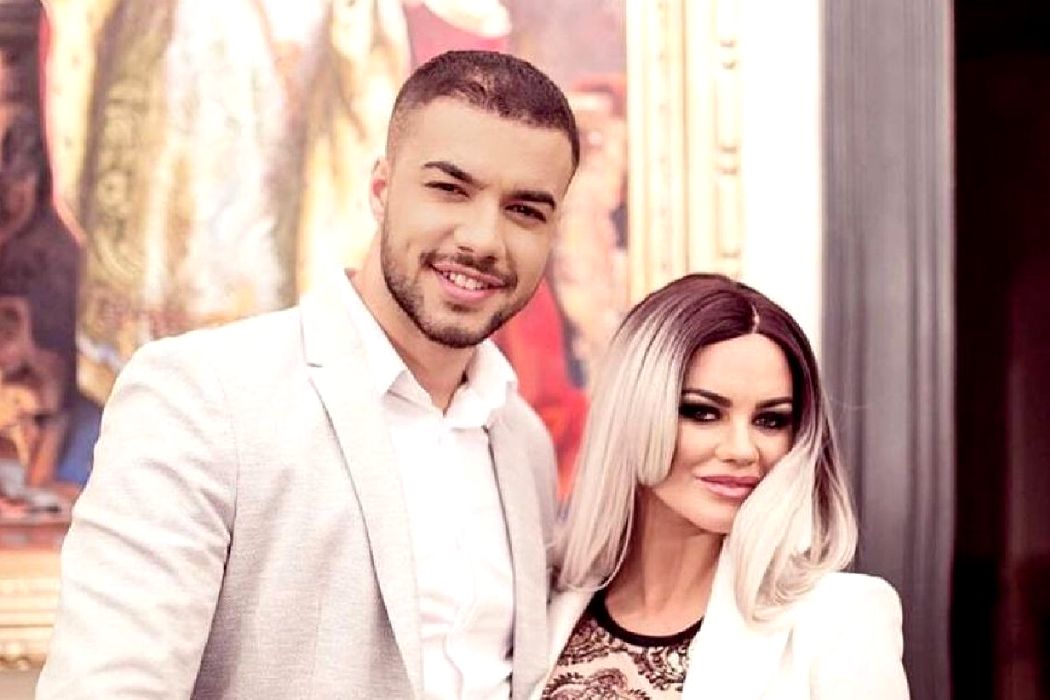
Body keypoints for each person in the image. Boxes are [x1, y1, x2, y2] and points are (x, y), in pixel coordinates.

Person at [37, 50, 579, 699]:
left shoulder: (524, 441)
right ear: (381, 190)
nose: (483, 238)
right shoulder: (200, 394)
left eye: (525, 210)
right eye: (450, 189)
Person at [538, 274, 909, 699]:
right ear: (633, 410)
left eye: (770, 420)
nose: (741, 450)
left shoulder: (840, 620)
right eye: (702, 412)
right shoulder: (545, 604)